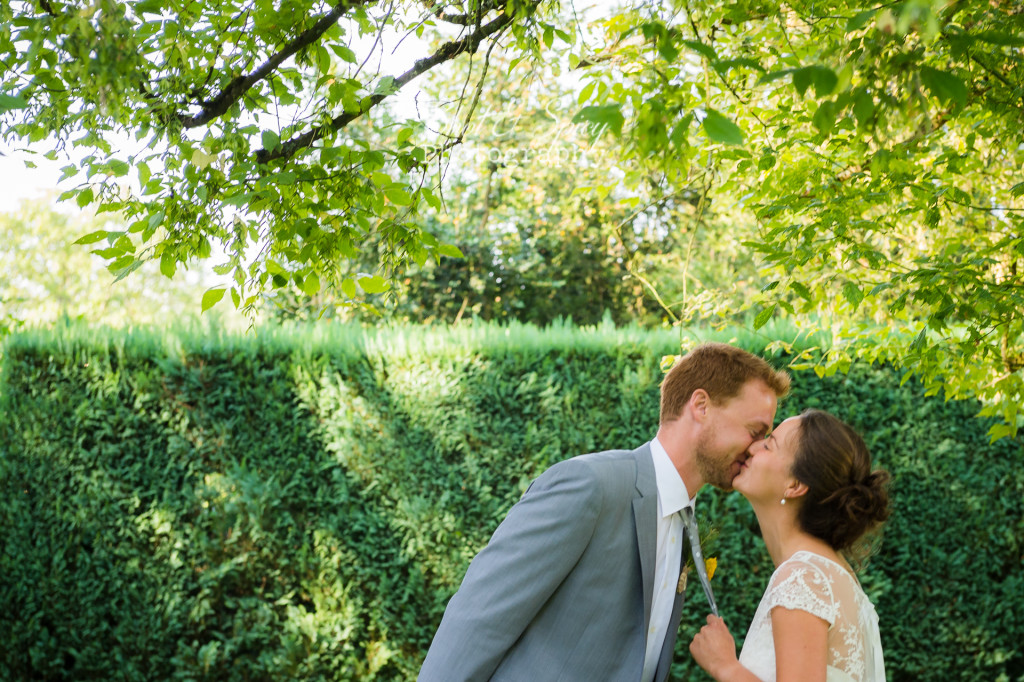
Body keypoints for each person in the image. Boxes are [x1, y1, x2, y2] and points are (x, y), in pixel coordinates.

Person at [418, 342, 791, 682]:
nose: (758, 449)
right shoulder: (590, 485)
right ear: (701, 406)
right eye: (755, 431)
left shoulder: (686, 520)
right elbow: (478, 620)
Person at [689, 409, 890, 682]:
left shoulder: (804, 577)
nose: (752, 446)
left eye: (769, 444)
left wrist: (725, 666)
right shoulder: (829, 572)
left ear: (795, 485)